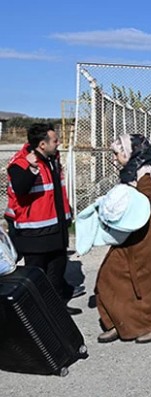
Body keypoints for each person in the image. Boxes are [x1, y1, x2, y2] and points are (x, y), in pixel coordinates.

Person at [96, 134, 151, 344]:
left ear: (130, 153)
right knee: (109, 274)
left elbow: (143, 202)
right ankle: (119, 321)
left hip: (150, 233)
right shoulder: (131, 173)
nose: (114, 158)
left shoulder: (145, 174)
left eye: (117, 153)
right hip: (131, 231)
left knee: (148, 282)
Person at [6, 123, 79, 314]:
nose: (59, 143)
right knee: (37, 273)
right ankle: (35, 313)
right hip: (34, 231)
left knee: (57, 268)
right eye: (55, 140)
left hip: (56, 226)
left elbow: (55, 191)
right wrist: (31, 168)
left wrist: (66, 214)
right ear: (42, 144)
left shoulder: (52, 158)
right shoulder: (21, 163)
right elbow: (21, 189)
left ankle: (57, 309)